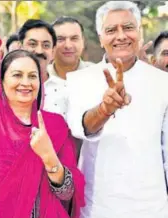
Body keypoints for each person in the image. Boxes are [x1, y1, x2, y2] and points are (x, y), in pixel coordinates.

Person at [66, 1, 168, 218]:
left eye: (128, 27)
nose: (120, 36)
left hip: (153, 207)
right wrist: (105, 109)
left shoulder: (163, 83)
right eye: (111, 30)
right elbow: (81, 127)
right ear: (101, 38)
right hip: (98, 207)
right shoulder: (78, 81)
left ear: (139, 32)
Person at [0, 49, 85, 218]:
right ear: (1, 81)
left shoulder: (54, 126)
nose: (26, 82)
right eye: (17, 75)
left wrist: (48, 156)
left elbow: (67, 193)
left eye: (32, 76)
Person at [44, 16, 93, 120]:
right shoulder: (40, 78)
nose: (68, 45)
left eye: (74, 38)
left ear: (83, 42)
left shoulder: (98, 75)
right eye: (60, 39)